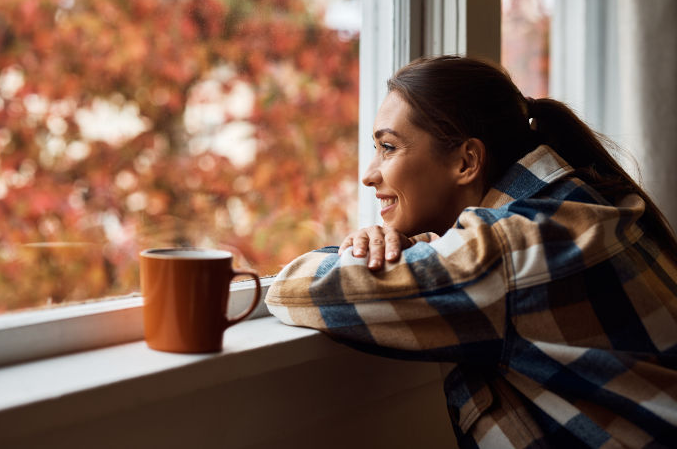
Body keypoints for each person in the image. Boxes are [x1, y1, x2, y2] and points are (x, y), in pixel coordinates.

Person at [265, 55, 677, 448]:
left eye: (388, 147)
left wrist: (372, 250)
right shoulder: (578, 205)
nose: (369, 174)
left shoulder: (508, 251)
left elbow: (293, 288)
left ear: (466, 162)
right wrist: (419, 246)